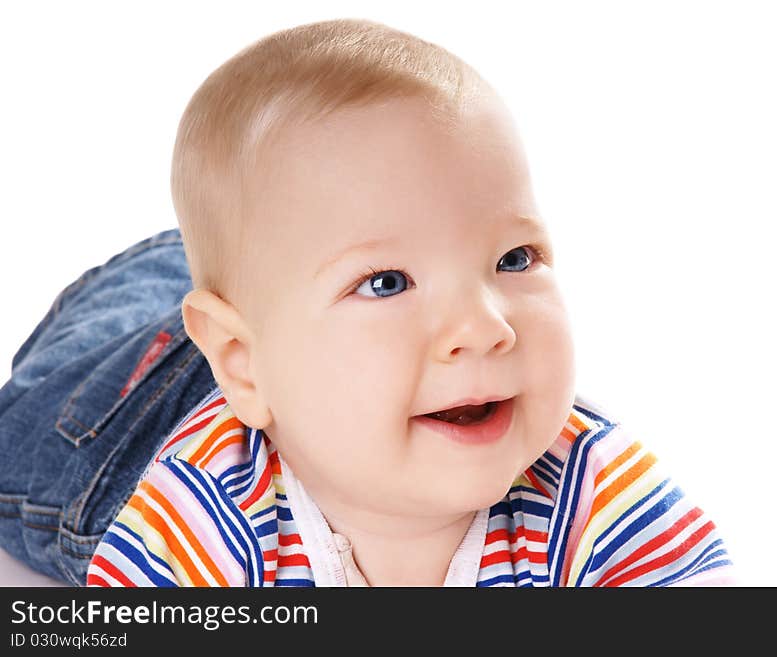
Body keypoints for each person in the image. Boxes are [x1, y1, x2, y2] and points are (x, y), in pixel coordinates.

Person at [0, 18, 735, 587]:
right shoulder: (202, 514)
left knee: (275, 264)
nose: (484, 327)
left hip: (282, 323)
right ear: (245, 365)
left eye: (513, 259)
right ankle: (181, 270)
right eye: (387, 281)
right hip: (132, 417)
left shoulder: (586, 481)